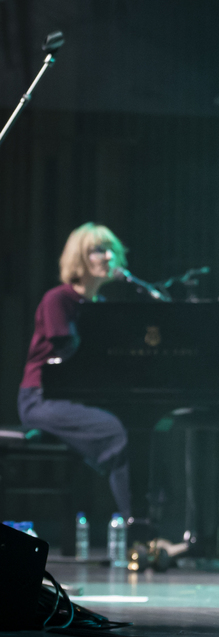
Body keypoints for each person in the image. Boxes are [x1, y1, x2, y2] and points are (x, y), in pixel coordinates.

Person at [18, 223, 132, 522]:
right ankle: (137, 530)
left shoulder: (101, 305)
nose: (107, 256)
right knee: (114, 431)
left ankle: (146, 525)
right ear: (79, 257)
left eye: (111, 250)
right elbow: (69, 354)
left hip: (78, 398)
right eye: (97, 250)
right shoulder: (58, 299)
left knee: (140, 430)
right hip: (41, 398)